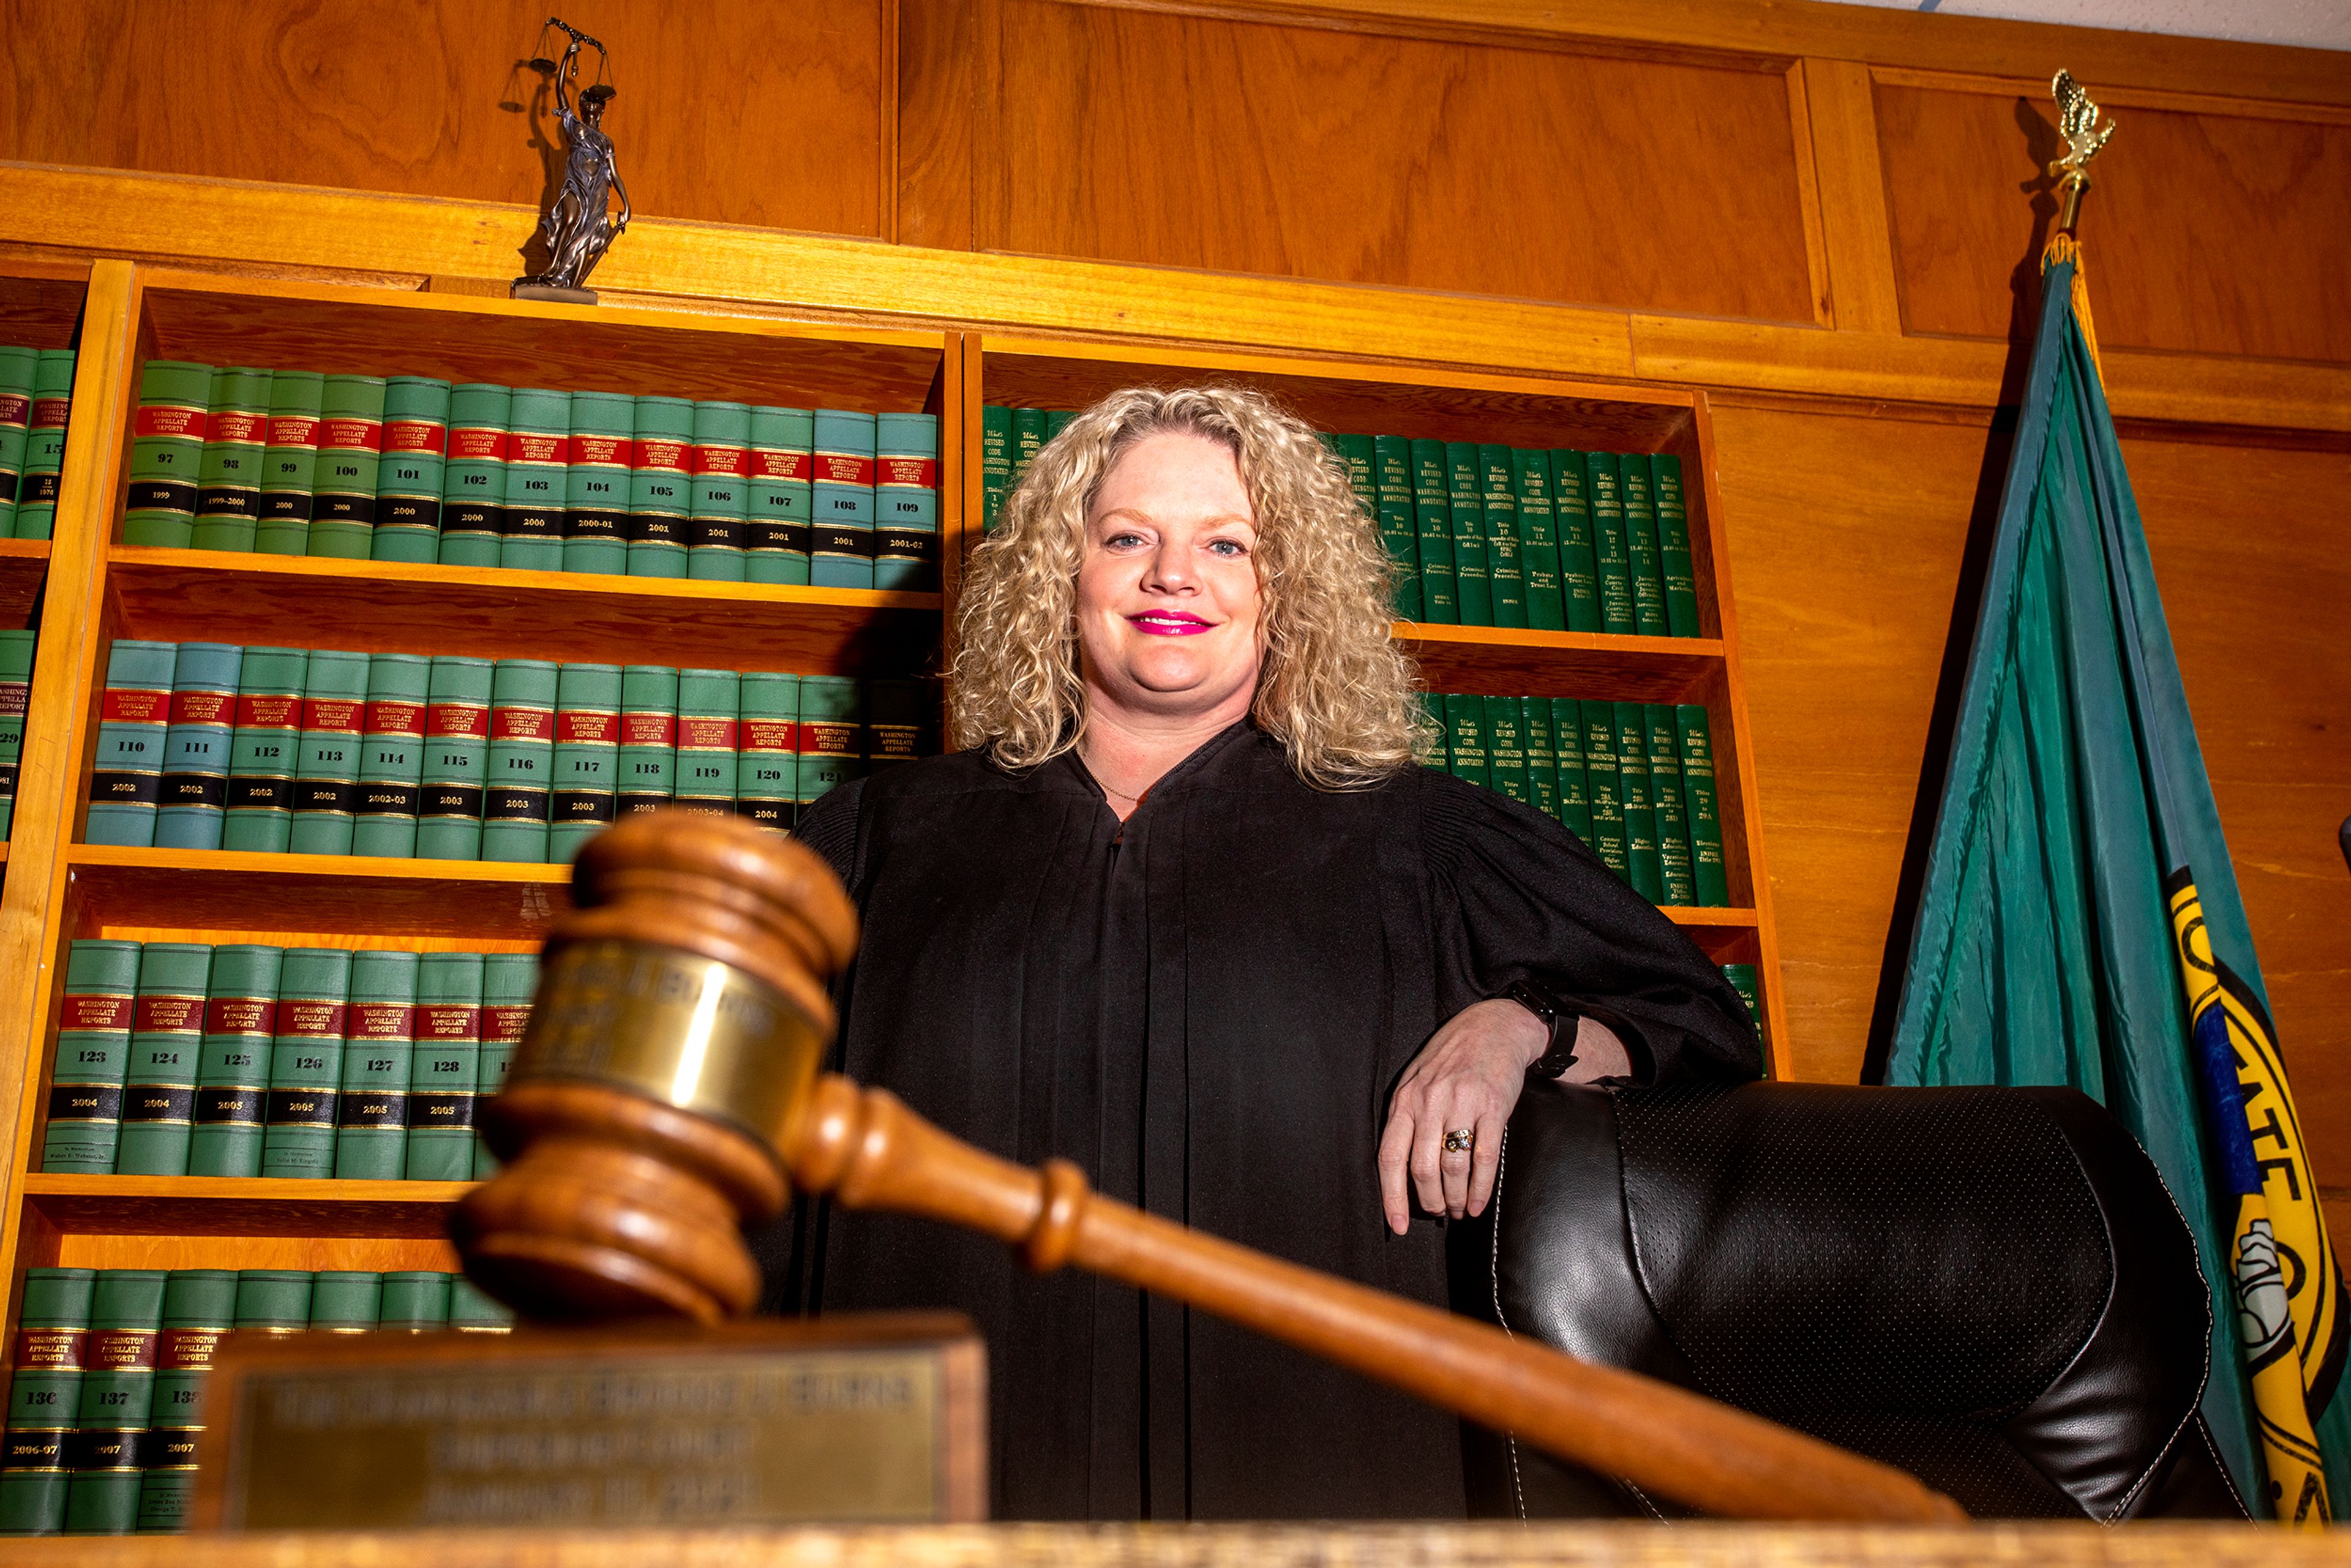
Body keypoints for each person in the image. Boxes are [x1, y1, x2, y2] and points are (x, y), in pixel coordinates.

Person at [767, 384, 1761, 1521]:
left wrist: (1522, 1028)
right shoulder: (883, 838)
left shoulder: (1419, 840)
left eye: (1226, 543)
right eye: (1127, 537)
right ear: (1062, 575)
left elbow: (1703, 1035)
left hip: (1319, 1487)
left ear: (1285, 592)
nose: (1172, 575)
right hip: (917, 1496)